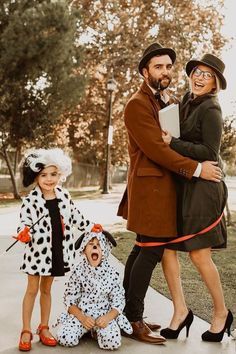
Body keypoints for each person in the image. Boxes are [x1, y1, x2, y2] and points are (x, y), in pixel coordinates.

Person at [117, 43, 222, 344]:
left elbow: (176, 139)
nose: (165, 71)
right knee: (149, 251)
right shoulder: (137, 104)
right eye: (158, 67)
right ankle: (134, 319)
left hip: (164, 190)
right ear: (144, 71)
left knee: (141, 249)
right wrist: (198, 169)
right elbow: (159, 150)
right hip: (151, 190)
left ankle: (128, 314)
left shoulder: (166, 101)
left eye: (167, 66)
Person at [160, 54, 233, 342]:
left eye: (208, 74)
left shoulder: (211, 109)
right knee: (167, 248)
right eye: (197, 72)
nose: (200, 77)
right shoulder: (187, 102)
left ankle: (221, 313)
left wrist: (173, 144)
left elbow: (209, 152)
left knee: (198, 254)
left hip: (204, 189)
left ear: (215, 82)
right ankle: (180, 311)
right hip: (186, 185)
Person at [16, 148, 100, 351]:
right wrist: (23, 233)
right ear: (35, 177)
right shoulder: (30, 201)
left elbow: (76, 216)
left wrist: (90, 226)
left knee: (47, 290)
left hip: (56, 253)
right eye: (43, 175)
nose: (49, 179)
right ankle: (26, 330)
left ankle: (43, 327)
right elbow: (24, 224)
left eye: (53, 174)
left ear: (61, 173)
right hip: (37, 254)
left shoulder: (64, 196)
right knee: (32, 290)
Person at [56, 228, 133, 350]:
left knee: (112, 342)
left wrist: (108, 318)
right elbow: (69, 300)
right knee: (65, 337)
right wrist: (82, 318)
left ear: (104, 250)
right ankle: (85, 329)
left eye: (99, 245)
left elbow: (119, 300)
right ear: (84, 250)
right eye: (91, 244)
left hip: (104, 317)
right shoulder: (78, 271)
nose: (95, 247)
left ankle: (95, 332)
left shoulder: (112, 273)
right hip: (82, 315)